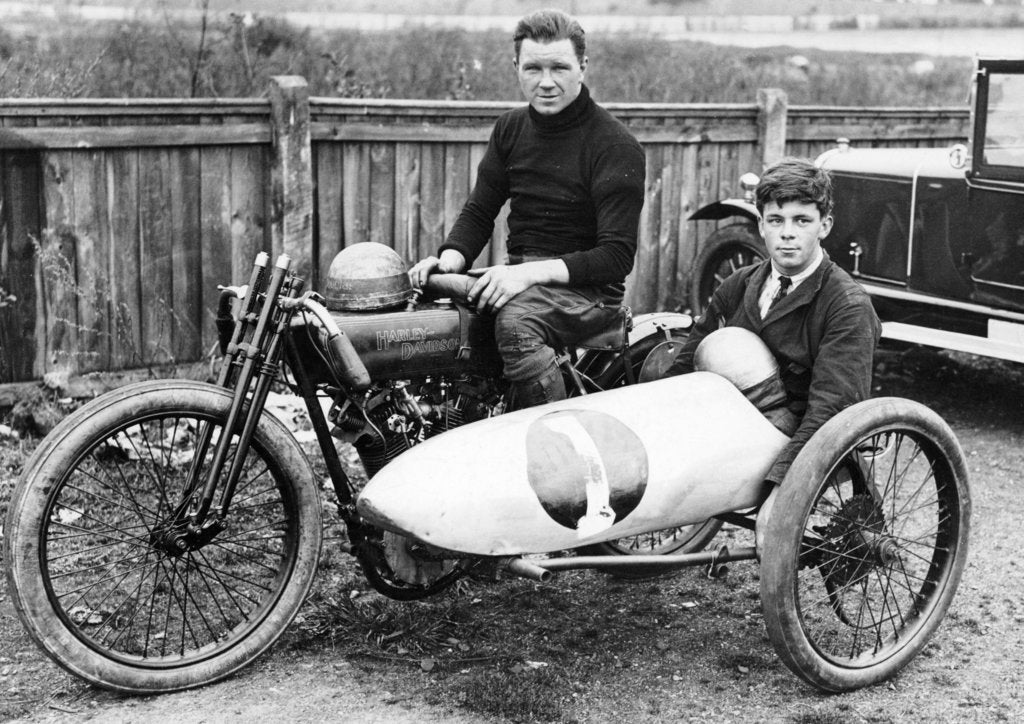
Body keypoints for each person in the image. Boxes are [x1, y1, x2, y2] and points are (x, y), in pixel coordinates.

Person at [408, 9, 646, 409]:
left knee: (516, 324)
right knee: (422, 309)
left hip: (588, 293)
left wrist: (525, 274)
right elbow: (480, 210)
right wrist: (447, 263)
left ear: (582, 67)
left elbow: (616, 257)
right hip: (520, 277)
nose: (546, 82)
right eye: (533, 68)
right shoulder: (510, 128)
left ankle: (548, 440)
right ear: (516, 66)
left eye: (560, 67)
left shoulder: (615, 144)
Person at [667, 158, 881, 488]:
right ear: (762, 226)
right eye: (776, 220)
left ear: (824, 226)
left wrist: (782, 490)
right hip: (732, 428)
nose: (788, 234)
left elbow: (831, 413)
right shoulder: (737, 285)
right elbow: (683, 369)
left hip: (802, 443)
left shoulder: (847, 306)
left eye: (802, 221)